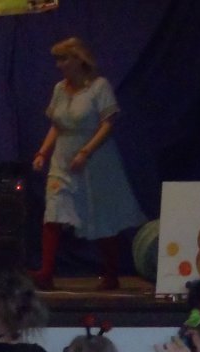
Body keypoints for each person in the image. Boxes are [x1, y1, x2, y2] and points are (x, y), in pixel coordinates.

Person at [29, 37, 145, 291]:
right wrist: (42, 153)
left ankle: (111, 274)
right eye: (57, 60)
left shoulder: (99, 87)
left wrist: (86, 152)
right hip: (63, 160)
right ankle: (46, 273)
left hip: (96, 161)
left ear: (78, 59)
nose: (59, 65)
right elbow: (56, 126)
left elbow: (108, 123)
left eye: (64, 59)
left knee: (100, 215)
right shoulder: (60, 89)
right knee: (54, 210)